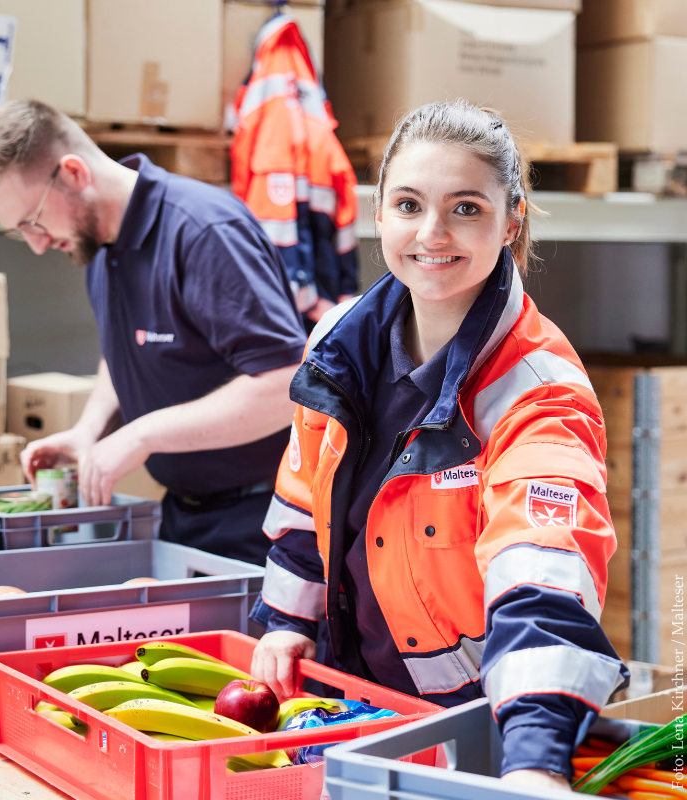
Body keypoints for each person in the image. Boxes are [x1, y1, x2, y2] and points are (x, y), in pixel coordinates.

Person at [250, 101, 628, 788]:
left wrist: (536, 763)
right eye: (408, 204)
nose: (432, 233)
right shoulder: (335, 345)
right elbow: (308, 499)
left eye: (466, 209)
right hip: (353, 706)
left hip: (477, 734)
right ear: (379, 214)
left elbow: (543, 570)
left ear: (510, 221)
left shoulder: (538, 389)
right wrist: (284, 621)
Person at [0, 100, 307, 566]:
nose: (38, 245)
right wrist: (89, 431)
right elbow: (129, 350)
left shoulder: (203, 232)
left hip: (263, 520)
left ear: (74, 173)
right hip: (187, 513)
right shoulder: (99, 245)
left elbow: (286, 386)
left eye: (32, 220)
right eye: (20, 232)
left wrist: (140, 436)